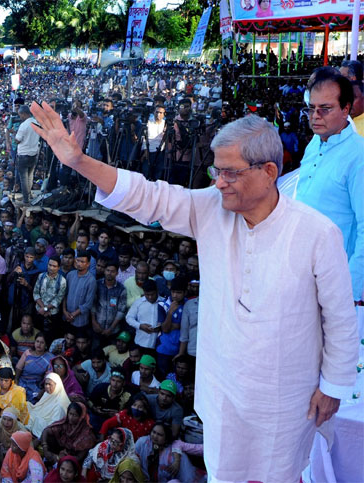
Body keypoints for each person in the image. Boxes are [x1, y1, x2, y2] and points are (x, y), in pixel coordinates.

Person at [32, 103, 359, 480]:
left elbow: (339, 318)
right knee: (223, 473)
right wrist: (79, 161)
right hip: (222, 392)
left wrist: (332, 387)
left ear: (269, 172)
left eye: (230, 172)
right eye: (215, 171)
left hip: (285, 399)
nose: (218, 182)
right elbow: (149, 196)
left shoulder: (318, 233)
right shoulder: (210, 209)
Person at [295, 67, 364, 323]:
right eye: (311, 108)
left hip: (335, 284)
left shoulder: (358, 156)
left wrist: (351, 289)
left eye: (325, 109)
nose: (315, 116)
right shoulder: (315, 143)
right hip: (300, 273)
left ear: (346, 109)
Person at [40, 402, 97, 466]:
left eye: (75, 415)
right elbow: (46, 431)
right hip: (61, 451)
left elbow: (79, 458)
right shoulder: (66, 423)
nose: (71, 417)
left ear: (81, 417)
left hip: (72, 460)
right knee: (48, 437)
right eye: (70, 414)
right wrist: (46, 450)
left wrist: (61, 458)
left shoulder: (86, 434)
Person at [15, 105, 41, 204]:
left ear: (24, 114)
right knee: (30, 176)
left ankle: (26, 199)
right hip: (33, 154)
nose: (20, 117)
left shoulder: (24, 125)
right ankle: (28, 195)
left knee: (24, 178)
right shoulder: (36, 123)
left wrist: (13, 136)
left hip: (23, 154)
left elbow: (18, 140)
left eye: (20, 115)